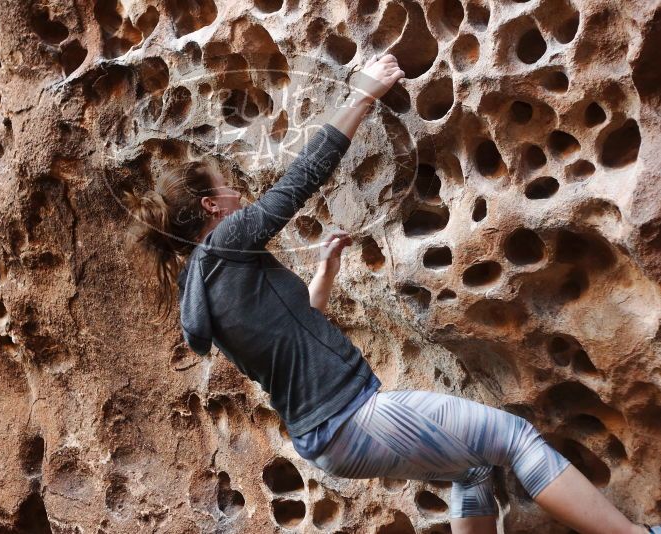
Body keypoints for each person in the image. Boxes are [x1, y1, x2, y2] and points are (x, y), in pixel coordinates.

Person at [123, 53, 660, 534]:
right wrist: (362, 93)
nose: (237, 195)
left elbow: (297, 338)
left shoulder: (207, 287)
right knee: (514, 438)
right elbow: (300, 181)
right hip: (354, 419)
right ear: (213, 209)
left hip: (327, 440)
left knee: (472, 470)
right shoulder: (226, 243)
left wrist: (326, 273)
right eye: (227, 189)